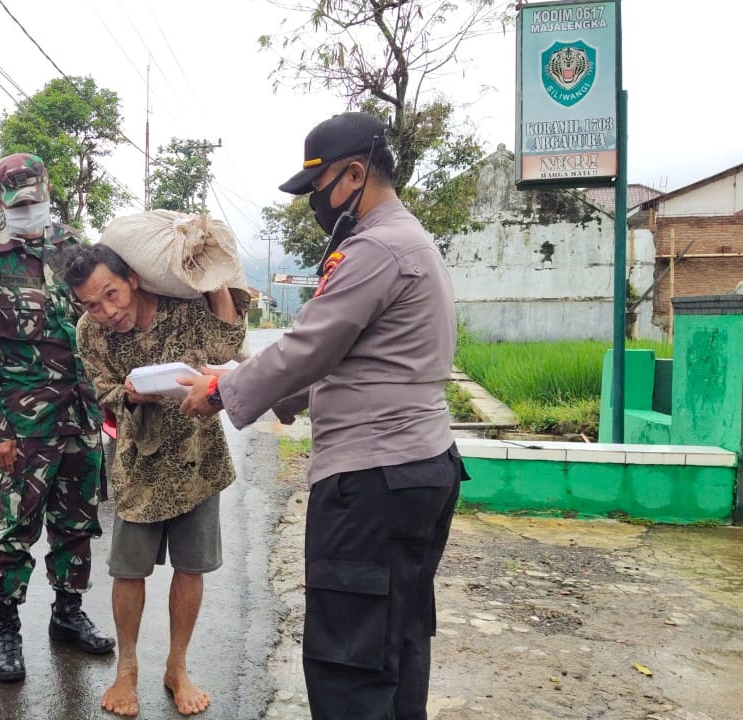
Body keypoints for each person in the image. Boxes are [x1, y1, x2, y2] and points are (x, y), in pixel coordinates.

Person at [176, 112, 467, 720]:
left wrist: (217, 396)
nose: (314, 205)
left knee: (349, 659)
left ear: (356, 174)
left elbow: (309, 344)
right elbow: (352, 359)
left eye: (318, 189)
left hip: (374, 481)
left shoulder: (376, 248)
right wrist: (238, 384)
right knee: (396, 639)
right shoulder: (412, 241)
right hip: (420, 468)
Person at [64, 238, 247, 717]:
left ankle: (177, 667)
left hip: (197, 457)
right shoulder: (89, 332)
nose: (106, 311)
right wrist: (127, 393)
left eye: (111, 294)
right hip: (138, 464)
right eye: (91, 303)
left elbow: (226, 344)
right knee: (128, 571)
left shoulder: (180, 307)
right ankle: (126, 669)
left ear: (132, 280)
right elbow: (101, 388)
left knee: (192, 567)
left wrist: (215, 281)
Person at [0, 153, 115, 683]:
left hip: (82, 414)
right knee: (14, 526)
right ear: (0, 200)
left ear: (49, 189)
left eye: (35, 198)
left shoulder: (75, 248)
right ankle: (6, 632)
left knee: (76, 522)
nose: (29, 209)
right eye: (17, 202)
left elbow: (104, 319)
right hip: (24, 424)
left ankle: (67, 615)